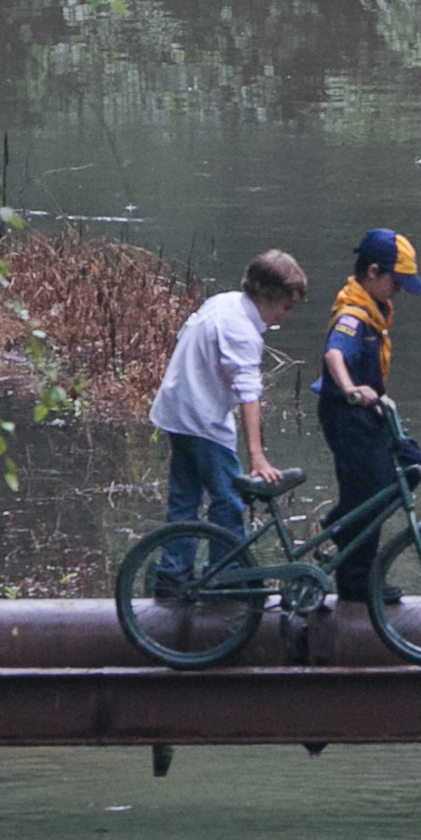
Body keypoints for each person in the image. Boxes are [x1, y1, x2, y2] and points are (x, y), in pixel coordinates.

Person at [146, 250, 304, 591]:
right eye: (285, 306)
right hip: (201, 419)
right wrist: (256, 456)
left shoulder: (224, 303)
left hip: (177, 411)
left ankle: (172, 576)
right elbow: (248, 393)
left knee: (184, 500)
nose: (285, 315)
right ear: (268, 296)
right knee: (228, 501)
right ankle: (225, 576)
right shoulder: (241, 330)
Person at [316, 227, 421, 603]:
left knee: (410, 465)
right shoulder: (353, 314)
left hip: (370, 414)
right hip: (346, 416)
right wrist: (350, 389)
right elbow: (335, 355)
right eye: (395, 281)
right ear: (373, 272)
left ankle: (340, 524)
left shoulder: (376, 312)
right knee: (372, 489)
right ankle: (356, 581)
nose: (398, 290)